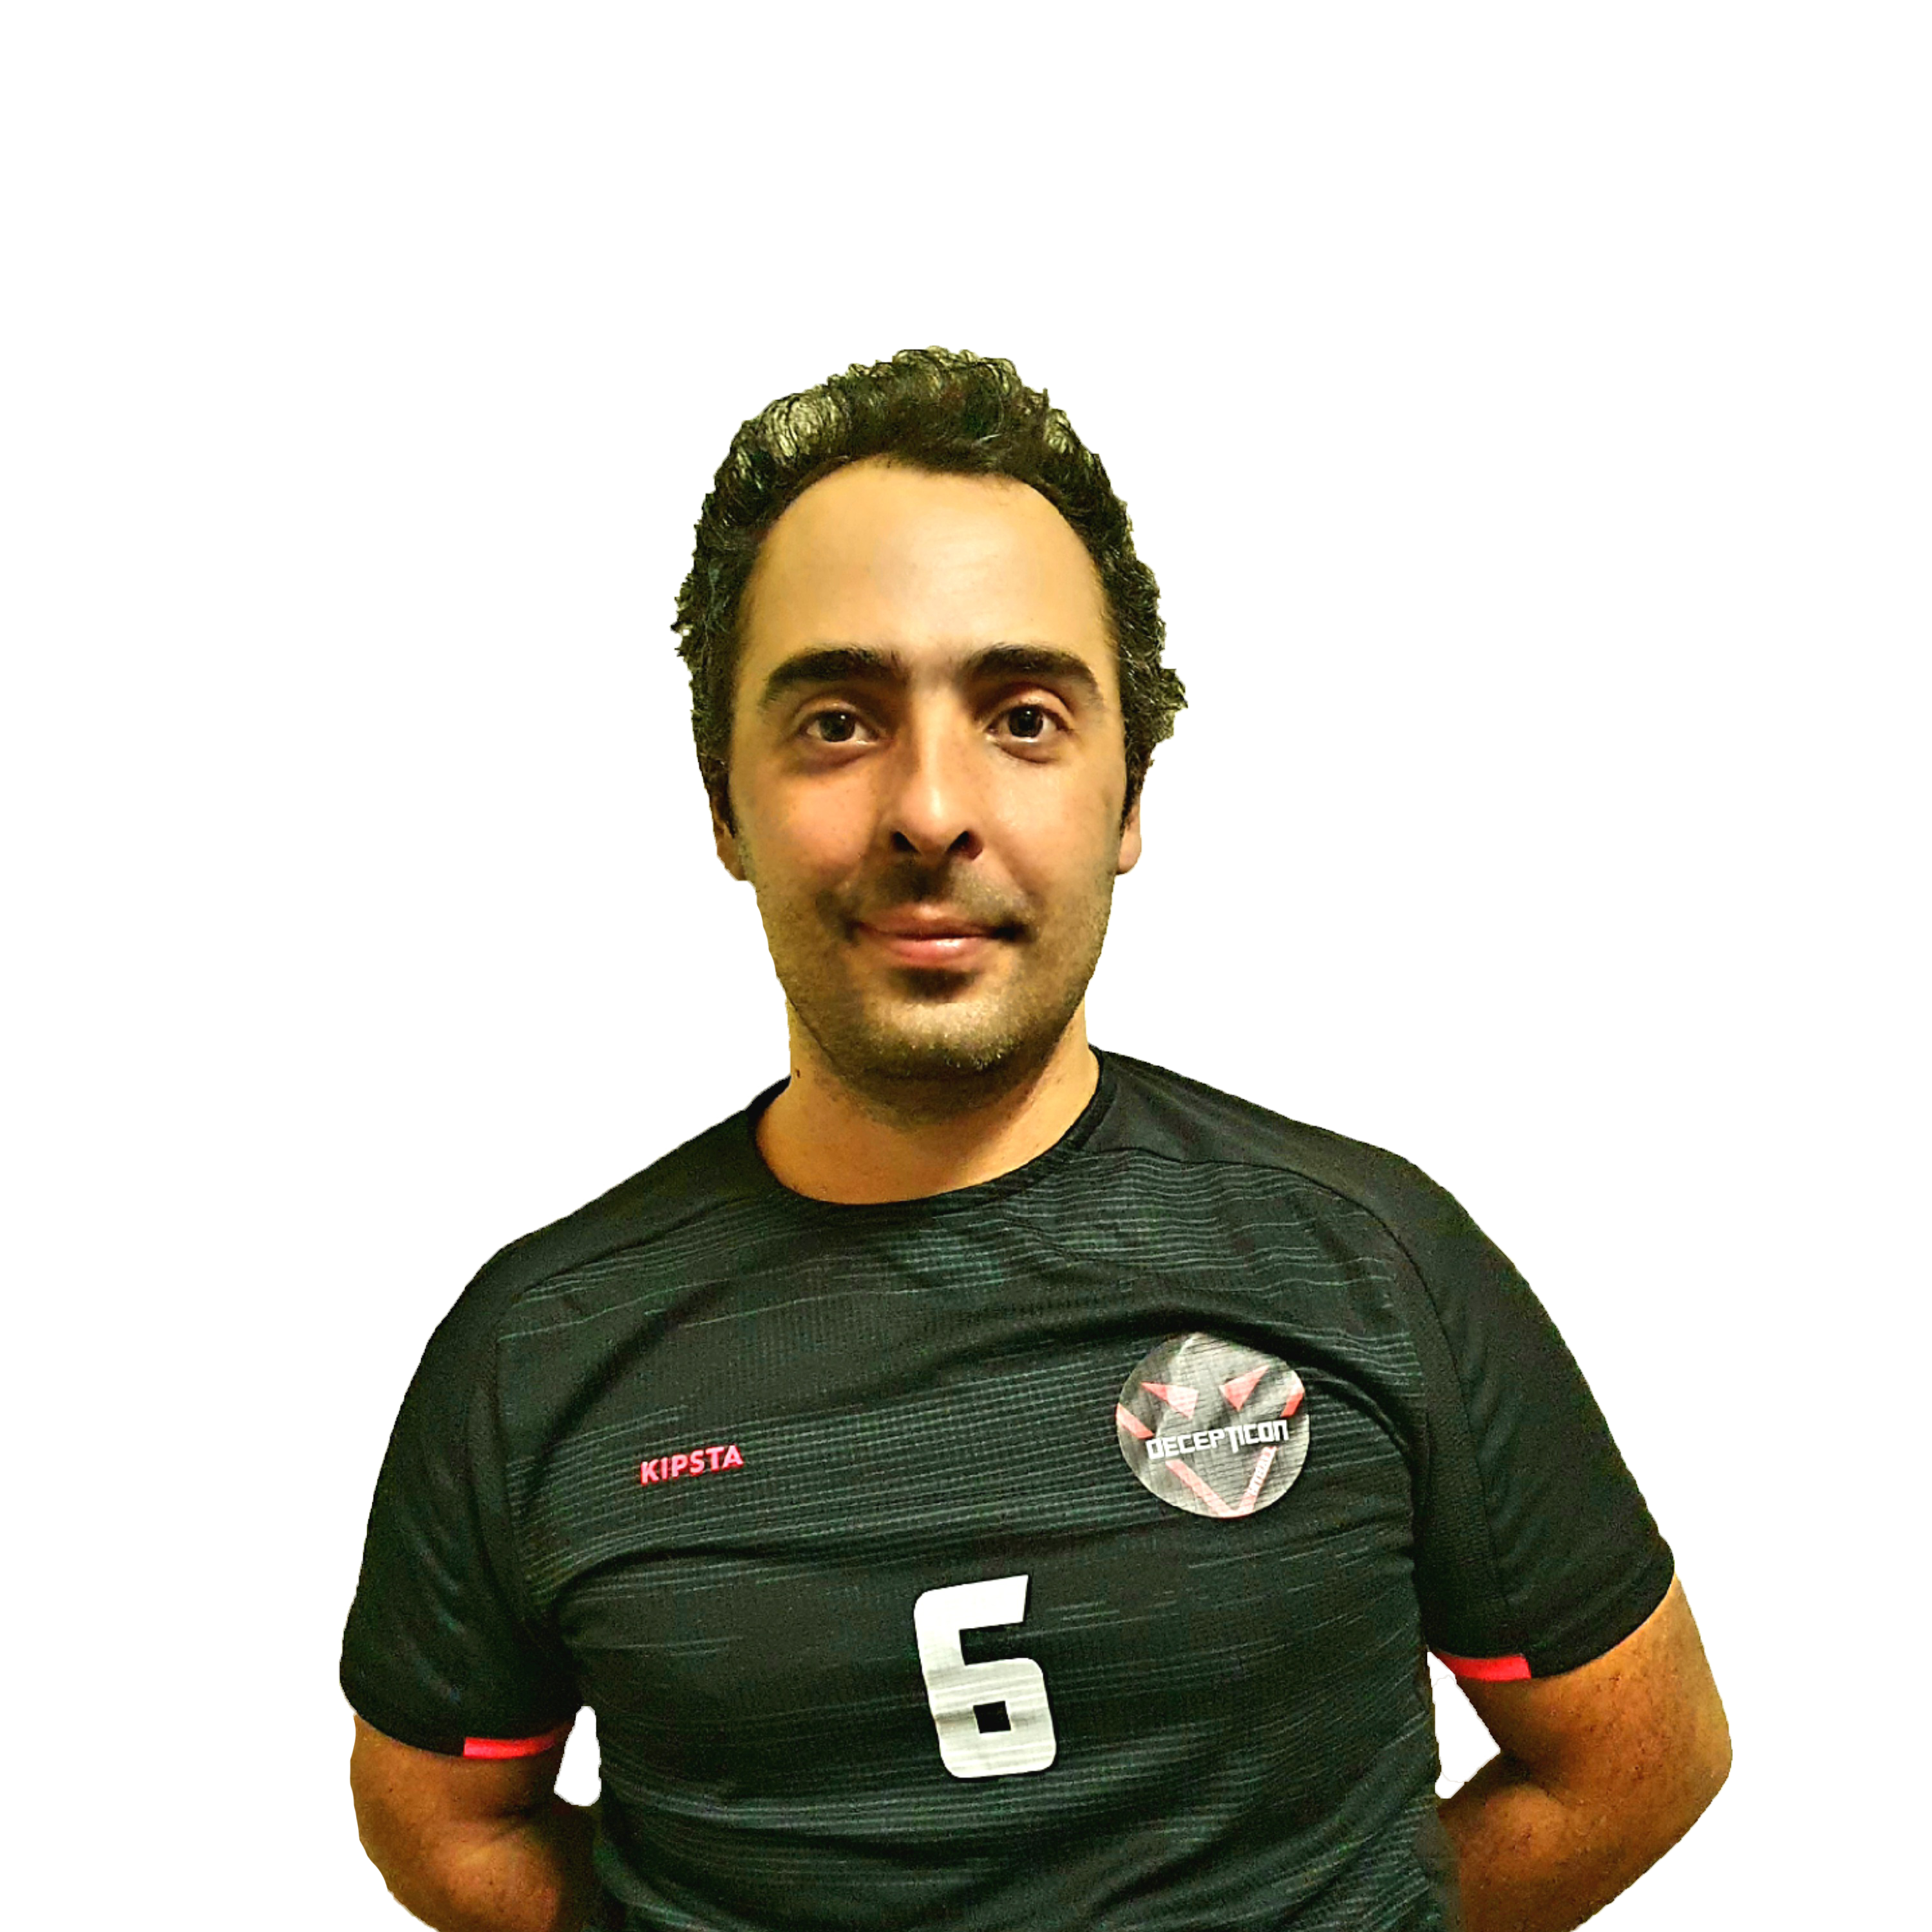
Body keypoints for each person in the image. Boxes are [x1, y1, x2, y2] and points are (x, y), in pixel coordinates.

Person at [341, 346, 1731, 1932]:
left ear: (1127, 794)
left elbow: (1637, 1759)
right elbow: (441, 1826)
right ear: (723, 802)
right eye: (838, 720)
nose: (932, 809)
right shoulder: (536, 1351)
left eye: (1021, 715)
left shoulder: (1375, 1262)